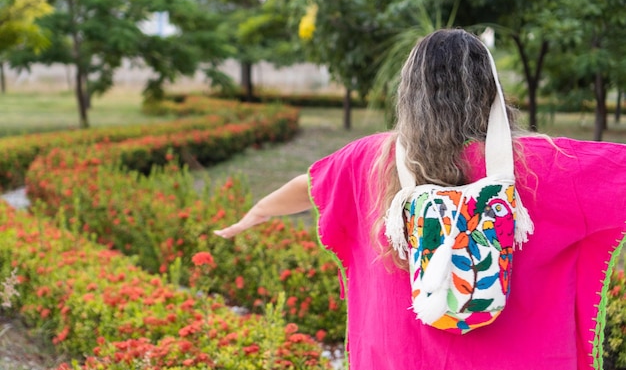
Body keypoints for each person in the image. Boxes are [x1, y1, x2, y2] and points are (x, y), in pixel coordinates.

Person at [215, 28, 626, 370]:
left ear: (410, 93)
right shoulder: (544, 164)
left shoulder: (370, 159)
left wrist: (255, 213)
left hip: (400, 356)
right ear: (489, 88)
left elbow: (306, 186)